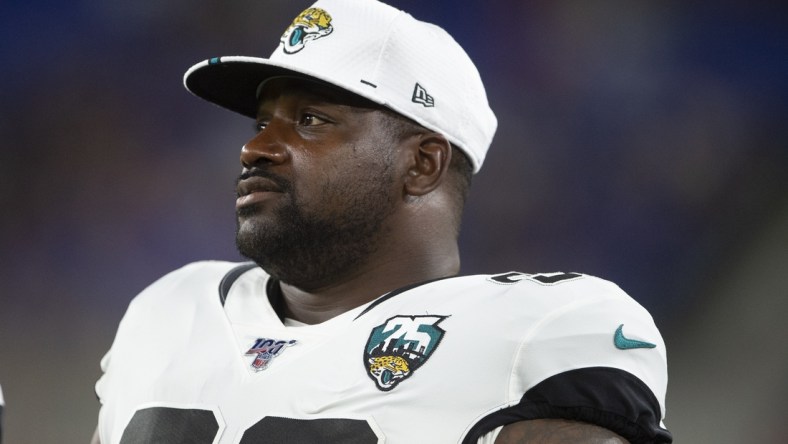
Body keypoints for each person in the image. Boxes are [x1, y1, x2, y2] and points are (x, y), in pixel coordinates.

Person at [93, 0, 672, 442]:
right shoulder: (168, 309)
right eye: (259, 124)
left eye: (311, 120)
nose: (256, 149)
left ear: (422, 163)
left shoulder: (537, 331)